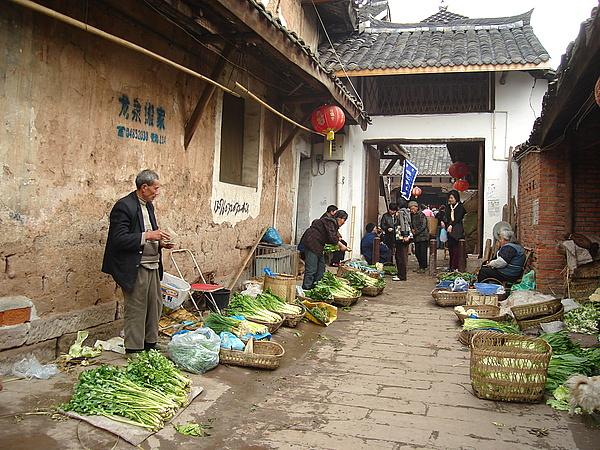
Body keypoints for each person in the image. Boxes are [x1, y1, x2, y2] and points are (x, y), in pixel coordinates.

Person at [102, 170, 173, 354]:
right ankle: (134, 350)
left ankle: (150, 344)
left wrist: (161, 243)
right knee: (137, 308)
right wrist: (150, 235)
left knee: (154, 306)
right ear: (144, 188)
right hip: (135, 266)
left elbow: (149, 233)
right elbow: (118, 239)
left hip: (153, 264)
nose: (157, 192)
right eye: (155, 188)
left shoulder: (148, 206)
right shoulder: (124, 207)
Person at [300, 210, 348, 289]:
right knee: (311, 269)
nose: (344, 222)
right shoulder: (330, 222)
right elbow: (332, 237)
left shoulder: (332, 224)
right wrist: (341, 245)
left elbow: (330, 237)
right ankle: (306, 289)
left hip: (319, 246)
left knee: (321, 268)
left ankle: (316, 287)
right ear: (339, 218)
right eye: (344, 219)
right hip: (312, 244)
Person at [443, 190, 466, 271]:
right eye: (449, 198)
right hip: (449, 231)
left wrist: (452, 225)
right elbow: (446, 217)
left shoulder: (460, 207)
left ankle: (455, 266)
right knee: (451, 249)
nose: (450, 199)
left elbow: (459, 218)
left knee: (456, 249)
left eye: (452, 198)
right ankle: (451, 266)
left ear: (456, 198)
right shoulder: (448, 207)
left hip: (457, 230)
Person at [409, 201, 429, 272]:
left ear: (416, 207)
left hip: (423, 236)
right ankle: (420, 265)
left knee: (422, 252)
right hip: (416, 237)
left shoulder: (421, 214)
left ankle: (423, 267)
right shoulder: (411, 215)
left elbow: (423, 225)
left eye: (413, 208)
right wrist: (412, 230)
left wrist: (416, 231)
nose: (412, 210)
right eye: (411, 209)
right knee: (417, 252)